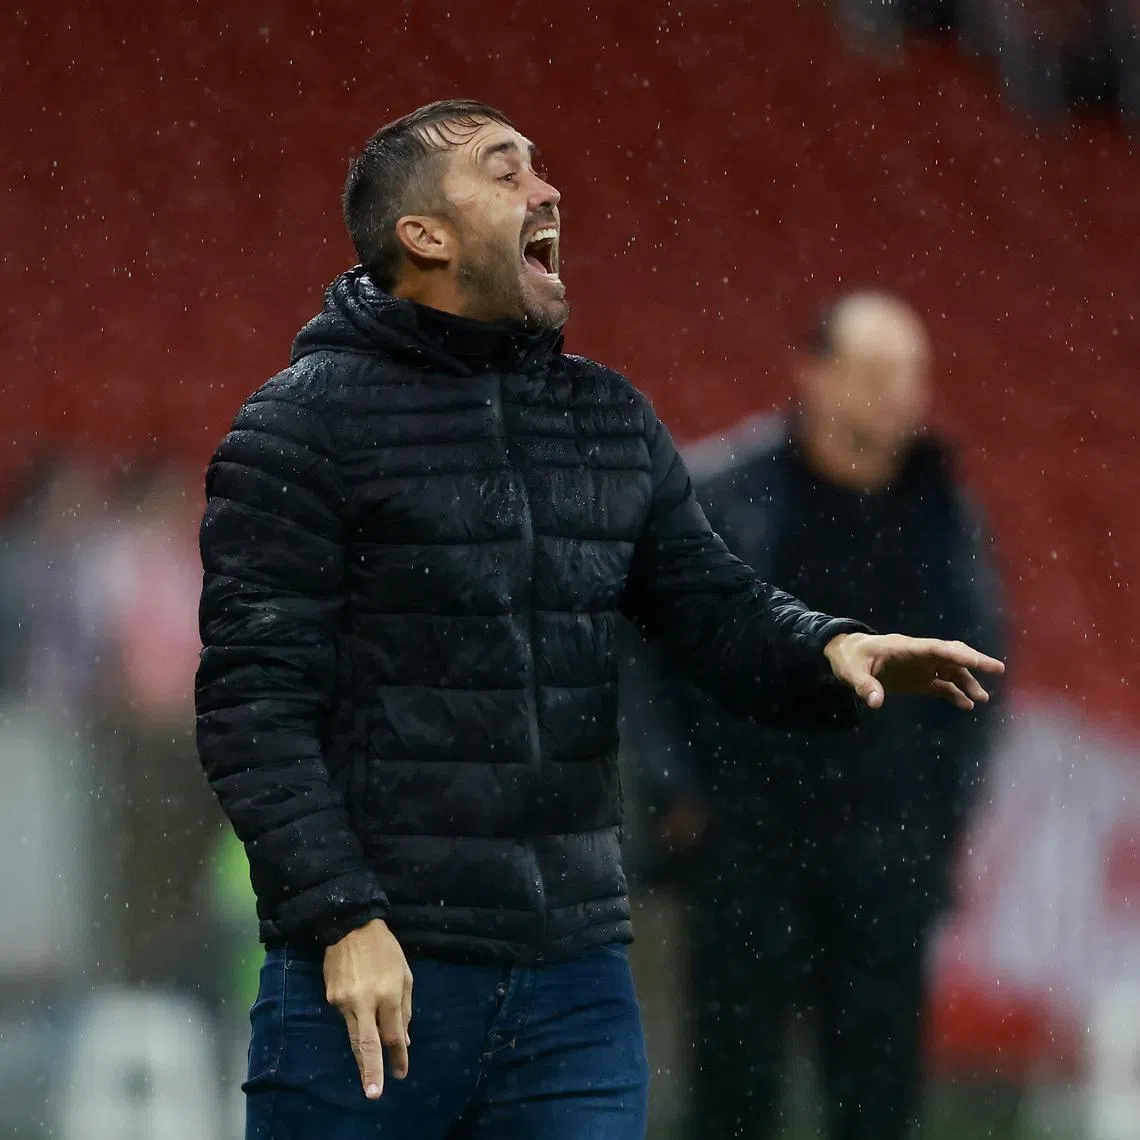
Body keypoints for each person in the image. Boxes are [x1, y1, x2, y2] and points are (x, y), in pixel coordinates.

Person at [194, 102, 1004, 1140]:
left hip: (570, 983)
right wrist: (341, 918)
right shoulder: (297, 430)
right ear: (424, 236)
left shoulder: (608, 419)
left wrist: (825, 645)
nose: (546, 189)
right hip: (376, 975)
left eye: (539, 165)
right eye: (504, 172)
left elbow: (710, 608)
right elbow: (252, 707)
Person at [628, 292, 1007, 1140]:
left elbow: (984, 676)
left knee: (878, 1098)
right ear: (814, 376)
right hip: (746, 844)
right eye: (875, 371)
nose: (897, 394)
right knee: (733, 1094)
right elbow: (644, 654)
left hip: (887, 853)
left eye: (911, 374)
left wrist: (944, 816)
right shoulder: (723, 494)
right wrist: (678, 794)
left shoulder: (944, 508)